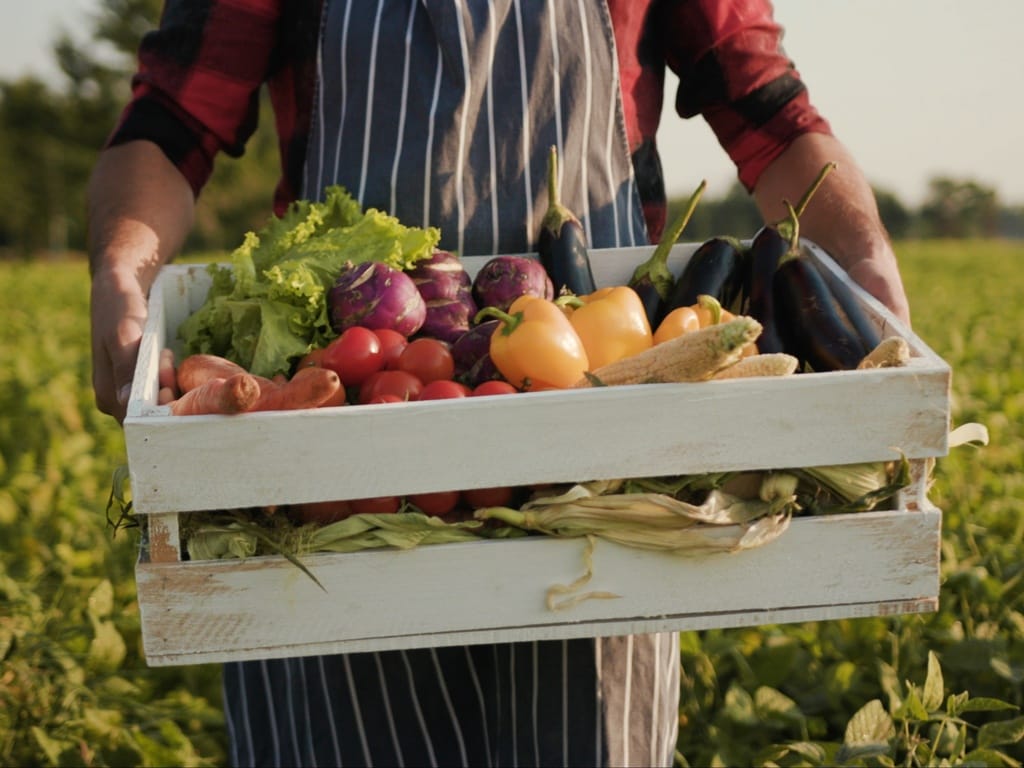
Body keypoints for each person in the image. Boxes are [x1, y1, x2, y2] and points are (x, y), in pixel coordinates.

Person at [87, 1, 911, 765]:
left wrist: (866, 258)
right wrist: (124, 269)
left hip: (601, 473)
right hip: (340, 460)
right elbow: (172, 121)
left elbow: (769, 108)